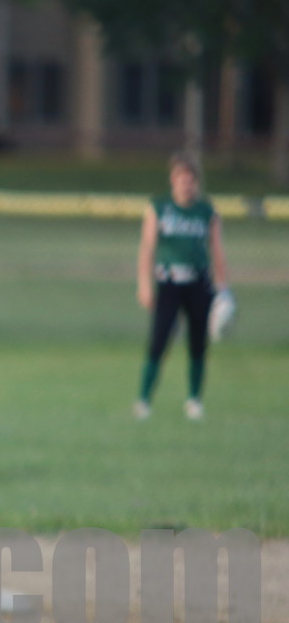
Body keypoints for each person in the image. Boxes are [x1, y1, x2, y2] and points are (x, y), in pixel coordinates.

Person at [134, 152, 230, 421]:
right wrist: (144, 284)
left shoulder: (206, 211)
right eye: (181, 180)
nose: (186, 185)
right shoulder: (159, 208)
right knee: (159, 341)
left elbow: (217, 251)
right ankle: (143, 400)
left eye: (190, 180)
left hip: (199, 283)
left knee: (198, 343)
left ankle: (194, 400)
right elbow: (147, 248)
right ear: (172, 180)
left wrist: (224, 290)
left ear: (196, 183)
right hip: (169, 282)